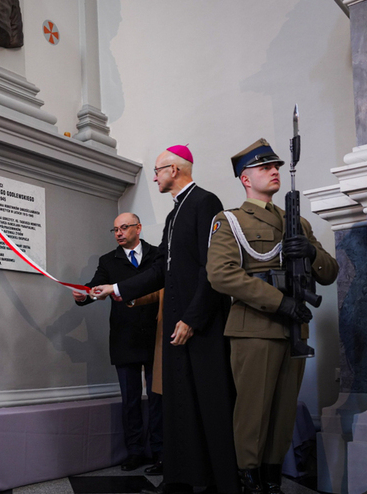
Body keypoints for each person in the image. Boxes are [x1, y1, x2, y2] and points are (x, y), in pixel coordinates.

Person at [93, 145, 238, 494]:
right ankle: (186, 477)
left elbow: (210, 269)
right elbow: (162, 271)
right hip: (177, 327)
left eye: (158, 171)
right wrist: (115, 287)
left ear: (174, 169)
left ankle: (219, 481)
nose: (154, 177)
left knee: (209, 402)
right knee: (180, 403)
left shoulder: (206, 203)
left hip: (199, 326)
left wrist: (192, 318)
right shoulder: (174, 215)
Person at [206, 139, 338, 494]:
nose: (275, 171)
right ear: (245, 178)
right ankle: (247, 478)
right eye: (265, 167)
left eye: (276, 166)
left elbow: (330, 272)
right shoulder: (230, 221)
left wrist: (310, 251)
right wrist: (279, 302)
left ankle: (271, 477)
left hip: (294, 328)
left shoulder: (298, 223)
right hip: (255, 328)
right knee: (253, 411)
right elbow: (222, 274)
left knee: (283, 413)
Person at [74, 213, 164, 474]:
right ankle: (135, 452)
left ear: (138, 228)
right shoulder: (107, 260)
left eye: (124, 228)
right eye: (115, 229)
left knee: (159, 399)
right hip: (125, 338)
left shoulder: (158, 255)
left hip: (157, 336)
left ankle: (161, 452)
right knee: (131, 401)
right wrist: (83, 296)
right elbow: (94, 288)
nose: (118, 233)